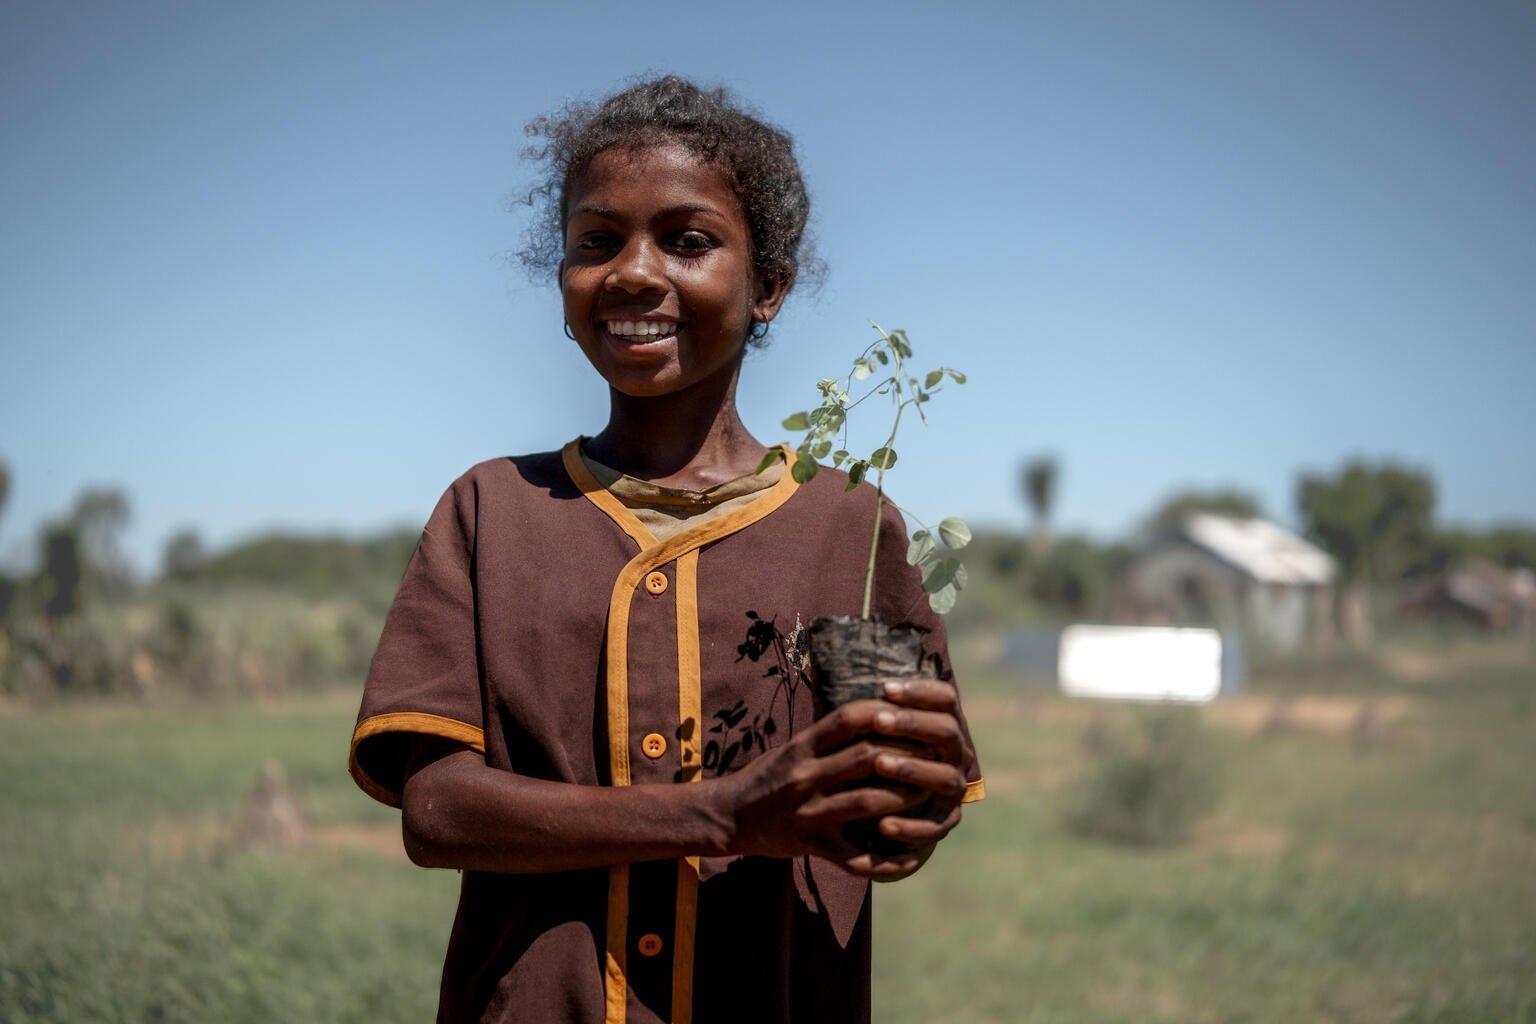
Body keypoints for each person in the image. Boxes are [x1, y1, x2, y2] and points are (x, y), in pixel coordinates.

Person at [347, 74, 985, 1024]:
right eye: (596, 243)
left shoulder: (849, 529)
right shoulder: (492, 511)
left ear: (767, 286)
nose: (635, 273)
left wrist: (902, 810)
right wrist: (723, 815)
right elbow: (437, 811)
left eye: (687, 241)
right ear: (562, 284)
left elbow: (889, 814)